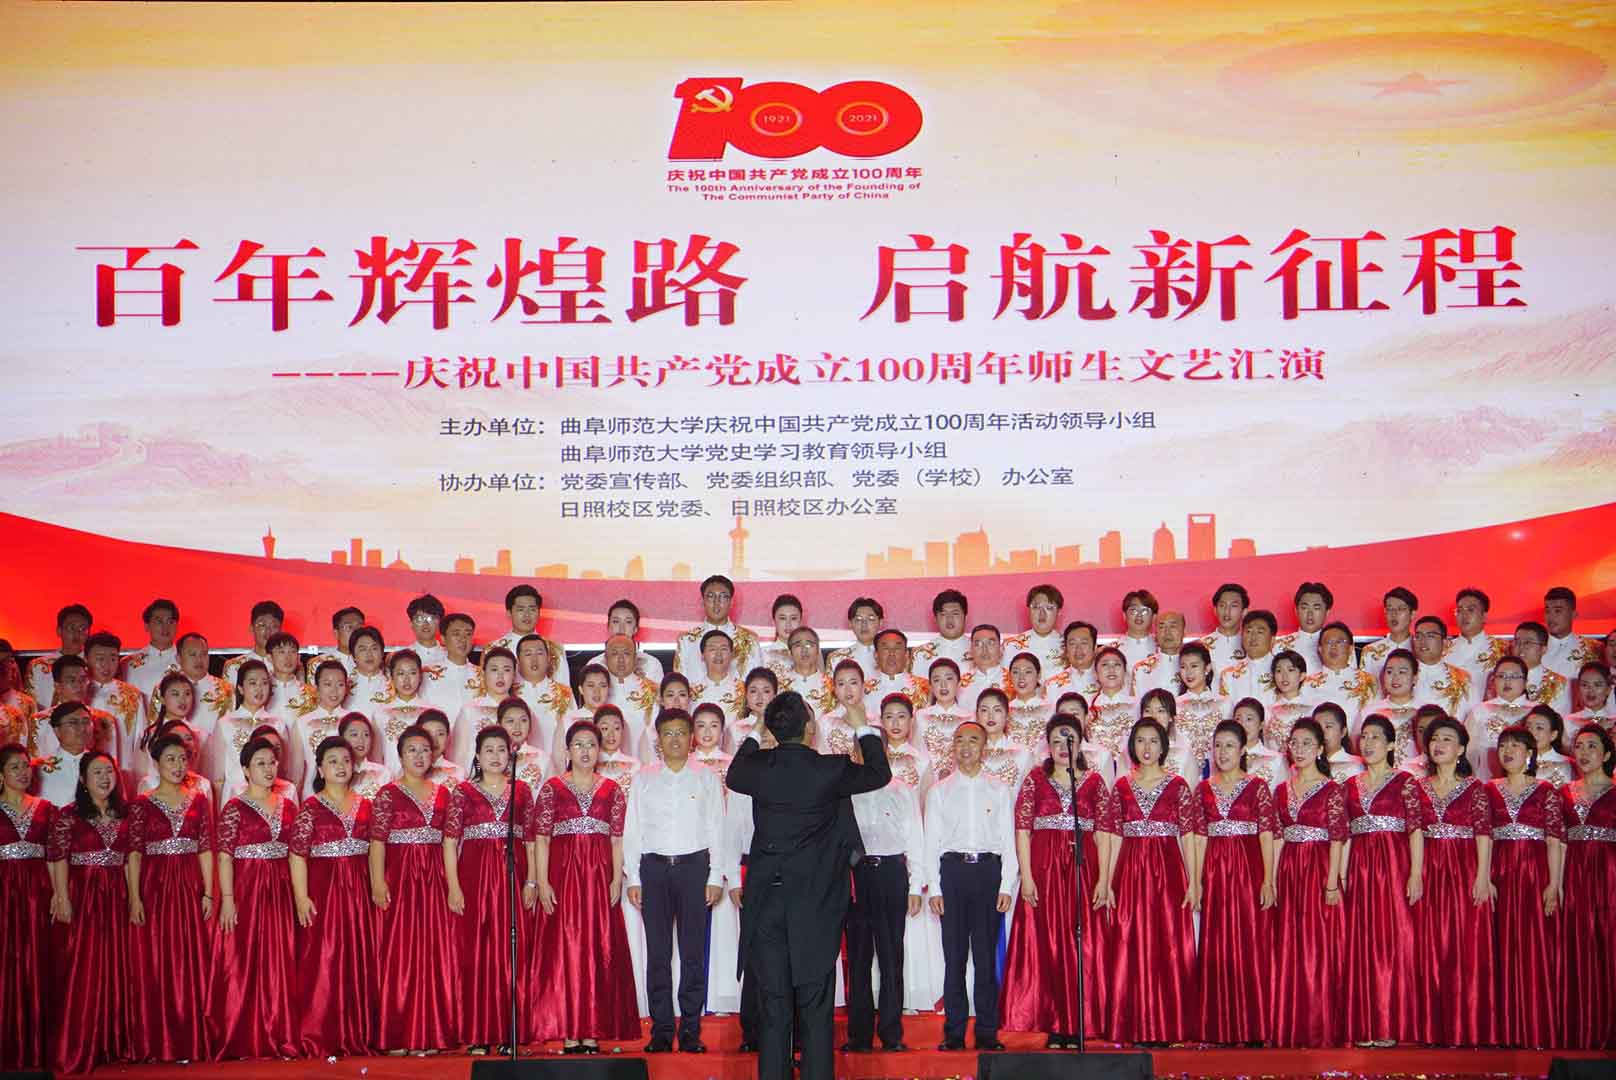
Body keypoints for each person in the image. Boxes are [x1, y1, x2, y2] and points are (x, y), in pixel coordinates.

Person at [727, 690, 890, 1080]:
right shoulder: (829, 769)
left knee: (774, 1008)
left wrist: (757, 730)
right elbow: (879, 773)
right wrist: (861, 725)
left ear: (774, 729)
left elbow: (734, 774)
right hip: (815, 903)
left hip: (767, 900)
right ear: (810, 728)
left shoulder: (758, 767)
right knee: (816, 1009)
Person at [530, 719, 641, 1052]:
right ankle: (568, 1028)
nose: (585, 751)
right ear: (567, 750)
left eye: (591, 744)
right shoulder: (552, 788)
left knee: (596, 947)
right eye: (578, 744)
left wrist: (616, 879)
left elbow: (618, 839)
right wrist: (542, 881)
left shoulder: (612, 790)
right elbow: (541, 839)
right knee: (564, 949)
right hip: (563, 878)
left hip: (598, 879)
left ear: (600, 750)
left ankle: (592, 1028)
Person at [1002, 715, 1112, 1047]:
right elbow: (1023, 830)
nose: (1063, 747)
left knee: (1082, 944)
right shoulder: (1035, 779)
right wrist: (1027, 876)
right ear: (1047, 746)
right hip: (1045, 871)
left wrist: (1104, 879)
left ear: (1080, 743)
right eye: (1056, 741)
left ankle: (1081, 1022)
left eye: (1070, 740)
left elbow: (1104, 833)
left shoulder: (1094, 782)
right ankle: (1053, 1022)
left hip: (1082, 870)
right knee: (1047, 943)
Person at [625, 708, 724, 1053]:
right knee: (658, 954)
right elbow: (633, 829)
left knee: (693, 953)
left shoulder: (706, 777)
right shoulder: (644, 778)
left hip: (694, 867)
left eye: (681, 732)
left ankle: (691, 1030)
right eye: (668, 733)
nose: (675, 740)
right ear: (658, 740)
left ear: (691, 737)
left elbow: (717, 826)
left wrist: (716, 874)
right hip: (653, 869)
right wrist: (633, 877)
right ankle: (662, 1030)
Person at [1097, 716, 1200, 1045]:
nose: (1147, 747)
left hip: (1168, 871)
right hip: (1130, 871)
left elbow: (1189, 835)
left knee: (1168, 943)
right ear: (1132, 746)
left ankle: (1169, 1025)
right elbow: (1113, 836)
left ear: (1163, 747)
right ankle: (1133, 1026)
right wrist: (1106, 880)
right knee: (1129, 942)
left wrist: (1194, 881)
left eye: (1154, 741)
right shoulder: (1122, 786)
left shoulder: (1178, 785)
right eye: (1141, 740)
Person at [926, 717, 1018, 1054]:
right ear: (953, 747)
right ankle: (953, 1032)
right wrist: (935, 888)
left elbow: (1008, 840)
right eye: (960, 740)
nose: (966, 747)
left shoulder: (999, 789)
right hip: (952, 874)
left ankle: (987, 1032)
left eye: (973, 740)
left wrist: (1006, 884)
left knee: (984, 957)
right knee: (954, 959)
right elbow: (931, 843)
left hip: (988, 874)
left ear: (984, 748)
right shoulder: (939, 791)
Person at [123, 730, 215, 1063]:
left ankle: (193, 1040)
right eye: (170, 759)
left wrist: (209, 892)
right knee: (157, 958)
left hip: (190, 884)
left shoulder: (199, 800)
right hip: (156, 886)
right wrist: (135, 897)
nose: (177, 765)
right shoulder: (141, 804)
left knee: (193, 957)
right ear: (156, 763)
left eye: (182, 759)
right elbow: (134, 853)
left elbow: (206, 848)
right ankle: (157, 1040)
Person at [444, 725, 534, 1055]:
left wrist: (531, 881)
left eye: (502, 750)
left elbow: (532, 840)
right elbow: (449, 842)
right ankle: (479, 1032)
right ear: (478, 757)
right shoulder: (463, 793)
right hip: (475, 879)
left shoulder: (521, 791)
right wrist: (454, 886)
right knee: (477, 954)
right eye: (489, 750)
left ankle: (511, 1033)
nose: (496, 756)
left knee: (512, 953)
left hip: (512, 876)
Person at [208, 734, 298, 1060]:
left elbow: (296, 853)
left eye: (272, 763)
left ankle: (279, 1033)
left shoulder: (288, 806)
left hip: (281, 888)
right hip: (247, 889)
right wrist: (228, 898)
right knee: (243, 958)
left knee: (280, 958)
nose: (268, 769)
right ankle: (243, 1035)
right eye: (260, 764)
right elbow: (224, 857)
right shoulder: (234, 808)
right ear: (245, 770)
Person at [841, 698, 925, 1053]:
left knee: (891, 956)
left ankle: (891, 1034)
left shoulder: (901, 789)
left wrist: (916, 883)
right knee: (858, 958)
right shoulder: (844, 790)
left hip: (891, 873)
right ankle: (859, 1036)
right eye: (861, 748)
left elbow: (914, 837)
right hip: (856, 877)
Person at [369, 724, 457, 1055]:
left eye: (425, 750)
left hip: (434, 878)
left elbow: (449, 843)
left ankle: (431, 1033)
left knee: (434, 952)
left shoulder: (444, 793)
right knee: (400, 953)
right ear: (400, 756)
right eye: (412, 750)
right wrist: (378, 882)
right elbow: (377, 843)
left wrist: (452, 885)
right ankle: (398, 1035)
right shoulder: (388, 794)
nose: (419, 756)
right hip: (400, 878)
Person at [288, 735, 377, 1059]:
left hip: (359, 892)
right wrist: (301, 897)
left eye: (346, 761)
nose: (341, 766)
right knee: (323, 960)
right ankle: (319, 1035)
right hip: (323, 892)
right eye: (333, 761)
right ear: (321, 769)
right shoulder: (310, 808)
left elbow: (375, 851)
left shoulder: (366, 805)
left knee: (359, 958)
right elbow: (297, 855)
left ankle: (359, 1033)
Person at [1341, 713, 1428, 1047]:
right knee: (1362, 940)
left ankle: (1393, 1023)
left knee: (1394, 940)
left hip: (1394, 865)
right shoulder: (1351, 785)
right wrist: (1342, 874)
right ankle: (1365, 1024)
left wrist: (1415, 873)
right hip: (1361, 867)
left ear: (1391, 744)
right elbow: (1345, 834)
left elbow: (1415, 830)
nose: (1368, 743)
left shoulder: (1406, 782)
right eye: (1364, 736)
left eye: (1376, 737)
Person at [45, 749, 132, 1075]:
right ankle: (81, 1043)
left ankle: (114, 1043)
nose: (105, 778)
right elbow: (58, 857)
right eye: (97, 772)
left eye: (109, 772)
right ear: (83, 779)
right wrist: (62, 896)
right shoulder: (69, 815)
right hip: (85, 896)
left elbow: (130, 859)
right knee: (85, 966)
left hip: (117, 895)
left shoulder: (125, 814)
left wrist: (133, 898)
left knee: (117, 965)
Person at [1414, 716, 1496, 1047]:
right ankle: (1431, 1029)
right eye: (1435, 738)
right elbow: (1414, 832)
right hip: (1430, 868)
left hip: (1463, 868)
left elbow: (1483, 833)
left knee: (1465, 944)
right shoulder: (1417, 787)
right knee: (1430, 945)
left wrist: (1482, 876)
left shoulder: (1475, 788)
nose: (1439, 744)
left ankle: (1468, 1027)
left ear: (1461, 749)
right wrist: (1416, 874)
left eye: (1447, 739)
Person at [1194, 719, 1276, 1046]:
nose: (1222, 752)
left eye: (1229, 746)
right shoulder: (1203, 789)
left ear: (1243, 750)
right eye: (1218, 746)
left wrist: (1268, 879)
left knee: (1250, 943)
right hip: (1215, 872)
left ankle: (1253, 1027)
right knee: (1217, 945)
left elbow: (1267, 834)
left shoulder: (1257, 787)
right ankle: (1219, 1028)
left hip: (1248, 870)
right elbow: (1199, 837)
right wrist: (1198, 880)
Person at [1486, 724, 1565, 1048]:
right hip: (1499, 871)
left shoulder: (1546, 790)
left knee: (1533, 946)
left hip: (1533, 873)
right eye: (1503, 745)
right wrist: (1485, 877)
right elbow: (1484, 837)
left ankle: (1535, 1028)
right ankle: (1502, 1029)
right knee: (1499, 945)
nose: (1508, 751)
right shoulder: (1488, 789)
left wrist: (1554, 883)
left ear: (1530, 754)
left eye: (1515, 746)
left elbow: (1554, 839)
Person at [1271, 716, 1348, 1047]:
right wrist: (1272, 879)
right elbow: (1277, 837)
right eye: (1295, 743)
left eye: (1307, 744)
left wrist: (1332, 882)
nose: (1299, 749)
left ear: (1319, 749)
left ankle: (1320, 1026)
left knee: (1318, 946)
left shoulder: (1332, 790)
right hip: (1290, 869)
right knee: (1289, 944)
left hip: (1319, 869)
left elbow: (1338, 837)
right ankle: (1291, 1024)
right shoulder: (1281, 790)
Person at [1558, 722, 1616, 1049]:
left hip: (1609, 876)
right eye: (1579, 746)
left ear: (1606, 754)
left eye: (1592, 746)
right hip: (1573, 873)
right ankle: (1582, 1027)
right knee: (1577, 944)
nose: (1584, 752)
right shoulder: (1564, 793)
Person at [0, 743, 53, 1071]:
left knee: (37, 959)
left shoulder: (45, 808)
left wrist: (58, 895)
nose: (22, 772)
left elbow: (54, 856)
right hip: (4, 891)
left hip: (37, 891)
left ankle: (37, 1045)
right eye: (14, 767)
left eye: (25, 766)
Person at [214, 659, 281, 799]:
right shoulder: (224, 723)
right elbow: (218, 778)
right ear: (240, 688)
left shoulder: (278, 724)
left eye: (264, 683)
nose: (259, 689)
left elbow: (283, 771)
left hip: (269, 798)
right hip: (234, 797)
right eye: (253, 683)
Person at [1465, 656, 1537, 778]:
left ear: (1525, 682)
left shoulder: (1538, 711)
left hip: (1530, 779)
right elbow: (1469, 751)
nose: (1507, 681)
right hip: (1487, 779)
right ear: (1494, 681)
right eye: (1502, 676)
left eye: (1514, 676)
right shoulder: (1480, 711)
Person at [674, 574, 760, 676]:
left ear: (731, 602)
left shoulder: (749, 640)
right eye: (711, 596)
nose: (716, 602)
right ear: (702, 601)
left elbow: (758, 680)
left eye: (723, 596)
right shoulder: (687, 641)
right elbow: (679, 682)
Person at [290, 659, 352, 797]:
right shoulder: (302, 723)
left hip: (348, 793)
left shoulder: (353, 720)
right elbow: (297, 771)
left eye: (340, 684)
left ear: (346, 688)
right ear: (316, 688)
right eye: (327, 684)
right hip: (312, 793)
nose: (334, 690)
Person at [488, 584, 572, 685]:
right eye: (521, 609)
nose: (527, 615)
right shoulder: (493, 648)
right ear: (509, 613)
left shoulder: (554, 648)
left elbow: (563, 688)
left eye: (532, 609)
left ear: (539, 612)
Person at [450, 646, 519, 765]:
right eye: (494, 670)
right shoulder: (470, 710)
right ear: (483, 673)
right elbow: (458, 755)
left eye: (507, 670)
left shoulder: (521, 710)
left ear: (514, 674)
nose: (500, 676)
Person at [1305, 621, 1377, 733]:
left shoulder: (1368, 681)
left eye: (1340, 642)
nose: (1334, 646)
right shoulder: (1307, 683)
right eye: (1328, 642)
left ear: (1350, 648)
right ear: (1320, 649)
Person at [514, 633, 574, 758]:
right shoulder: (509, 693)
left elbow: (573, 732)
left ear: (548, 659)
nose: (534, 660)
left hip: (555, 763)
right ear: (518, 661)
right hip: (518, 763)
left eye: (539, 653)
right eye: (528, 654)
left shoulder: (564, 693)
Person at [601, 634, 659, 754]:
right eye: (615, 654)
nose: (621, 659)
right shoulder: (598, 690)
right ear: (605, 659)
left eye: (626, 653)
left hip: (644, 757)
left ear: (635, 658)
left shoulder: (652, 690)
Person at [376, 650, 431, 774]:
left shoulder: (430, 711)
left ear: (420, 676)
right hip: (391, 779)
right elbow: (376, 757)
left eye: (412, 673)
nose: (406, 680)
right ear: (391, 676)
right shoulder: (380, 713)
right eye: (401, 673)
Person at [915, 658, 971, 781]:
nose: (943, 685)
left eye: (949, 679)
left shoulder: (970, 717)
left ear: (959, 683)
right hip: (927, 781)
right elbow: (917, 755)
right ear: (930, 686)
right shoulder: (920, 716)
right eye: (937, 680)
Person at [585, 598, 666, 683]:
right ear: (608, 626)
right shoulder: (595, 664)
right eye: (616, 621)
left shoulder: (651, 664)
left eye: (628, 622)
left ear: (636, 628)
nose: (621, 628)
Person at [27, 602, 92, 706]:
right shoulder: (38, 666)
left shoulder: (93, 665)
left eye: (82, 629)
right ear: (59, 631)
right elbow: (30, 704)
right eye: (71, 628)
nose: (77, 633)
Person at [1364, 649, 1423, 761]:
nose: (1395, 678)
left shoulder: (1426, 710)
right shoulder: (1370, 711)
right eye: (1389, 672)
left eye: (1402, 672)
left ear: (1415, 678)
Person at [33, 701, 93, 807]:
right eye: (73, 722)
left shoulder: (102, 764)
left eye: (86, 722)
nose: (82, 728)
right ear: (57, 730)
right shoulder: (39, 767)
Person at [423, 613, 482, 719]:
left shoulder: (482, 675)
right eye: (456, 634)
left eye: (468, 634)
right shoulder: (427, 674)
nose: (463, 639)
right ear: (443, 639)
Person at [1444, 587, 1505, 689]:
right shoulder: (1443, 649)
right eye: (1459, 610)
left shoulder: (1502, 649)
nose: (1464, 615)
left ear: (1484, 616)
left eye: (1470, 610)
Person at [1087, 646, 1137, 768]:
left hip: (1130, 770)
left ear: (1125, 672)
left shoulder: (1138, 705)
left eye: (1117, 665)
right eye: (1105, 665)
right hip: (1096, 771)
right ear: (1095, 674)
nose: (1111, 669)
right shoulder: (1086, 707)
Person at [121, 597, 181, 700]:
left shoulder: (187, 661)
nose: (165, 627)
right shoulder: (127, 664)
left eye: (170, 622)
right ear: (147, 626)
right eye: (159, 622)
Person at [1217, 609, 1279, 708]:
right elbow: (1225, 711)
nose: (1253, 637)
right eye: (1248, 631)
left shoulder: (1282, 671)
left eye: (1260, 632)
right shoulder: (1229, 674)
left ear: (1272, 639)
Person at [866, 629, 930, 716]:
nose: (891, 653)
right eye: (885, 648)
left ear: (906, 654)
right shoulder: (863, 690)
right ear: (876, 655)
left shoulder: (925, 688)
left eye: (897, 648)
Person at [910, 589, 972, 677]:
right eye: (943, 614)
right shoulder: (920, 653)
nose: (949, 619)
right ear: (935, 619)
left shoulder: (979, 651)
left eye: (955, 614)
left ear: (965, 617)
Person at [1361, 587, 1418, 680]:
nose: (1394, 614)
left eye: (1401, 609)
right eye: (1390, 609)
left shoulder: (1420, 650)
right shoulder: (1370, 651)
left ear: (1412, 614)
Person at [221, 600, 283, 684]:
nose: (268, 631)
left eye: (274, 626)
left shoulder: (288, 665)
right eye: (262, 625)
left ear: (281, 630)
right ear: (251, 628)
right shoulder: (234, 666)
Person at [1276, 581, 1334, 671]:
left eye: (1316, 608)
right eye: (1304, 608)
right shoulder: (1279, 645)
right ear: (1296, 611)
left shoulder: (1338, 645)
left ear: (1327, 612)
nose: (1310, 614)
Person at [1263, 650, 1313, 749]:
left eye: (1290, 670)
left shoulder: (1312, 708)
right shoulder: (1268, 709)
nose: (1284, 676)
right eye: (1279, 671)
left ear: (1302, 676)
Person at [1004, 651, 1053, 752]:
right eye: (1016, 672)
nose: (1021, 678)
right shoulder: (1003, 711)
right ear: (1010, 677)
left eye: (1028, 672)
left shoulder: (1051, 710)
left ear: (1038, 675)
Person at [1130, 610, 1186, 697]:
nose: (1167, 632)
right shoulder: (1142, 669)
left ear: (1184, 631)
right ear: (1155, 633)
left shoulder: (1195, 666)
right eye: (1162, 627)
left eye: (1173, 626)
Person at [303, 606, 366, 682]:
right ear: (336, 633)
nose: (356, 632)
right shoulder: (319, 663)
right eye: (349, 627)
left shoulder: (371, 661)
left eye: (360, 627)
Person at [1044, 620, 1101, 701]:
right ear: (1066, 650)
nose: (1078, 649)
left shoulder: (1106, 680)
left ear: (1095, 648)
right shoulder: (1052, 685)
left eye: (1084, 643)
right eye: (1072, 644)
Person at [827, 596, 884, 677]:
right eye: (858, 619)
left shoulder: (892, 656)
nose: (864, 624)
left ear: (880, 622)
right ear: (850, 623)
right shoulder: (836, 658)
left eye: (870, 619)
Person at [959, 623, 1010, 710]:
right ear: (971, 650)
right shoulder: (960, 685)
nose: (984, 650)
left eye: (990, 643)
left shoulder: (1012, 680)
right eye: (978, 644)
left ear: (1001, 648)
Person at [344, 626, 391, 719]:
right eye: (363, 649)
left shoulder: (393, 684)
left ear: (382, 653)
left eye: (374, 648)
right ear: (353, 656)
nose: (369, 654)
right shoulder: (344, 686)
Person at [339, 712, 390, 797]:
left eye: (366, 735)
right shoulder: (337, 771)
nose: (361, 740)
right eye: (354, 735)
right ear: (342, 738)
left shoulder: (383, 773)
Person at [1201, 583, 1249, 673]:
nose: (1227, 611)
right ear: (1215, 610)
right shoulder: (1202, 646)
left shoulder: (1252, 645)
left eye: (1234, 606)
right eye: (1222, 605)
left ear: (1244, 612)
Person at [1524, 705, 1574, 787]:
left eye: (1539, 728)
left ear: (1553, 735)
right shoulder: (1516, 759)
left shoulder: (1568, 763)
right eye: (1528, 727)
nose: (1532, 733)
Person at [1315, 702, 1365, 780]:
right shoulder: (1308, 764)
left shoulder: (1356, 765)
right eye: (1318, 727)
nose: (1322, 732)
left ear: (1343, 732)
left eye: (1328, 727)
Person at [402, 594, 448, 667]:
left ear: (440, 623)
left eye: (432, 618)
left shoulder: (451, 656)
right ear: (411, 623)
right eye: (420, 619)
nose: (426, 623)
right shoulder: (401, 657)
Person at [1117, 589, 1159, 667]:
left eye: (1145, 611)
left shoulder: (1162, 648)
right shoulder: (1112, 650)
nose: (1139, 615)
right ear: (1124, 615)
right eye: (1134, 611)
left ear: (1154, 617)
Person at [1568, 661, 1613, 726]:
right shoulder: (1568, 722)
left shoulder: (1613, 721)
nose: (1590, 690)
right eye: (1584, 685)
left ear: (1608, 690)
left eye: (1597, 685)